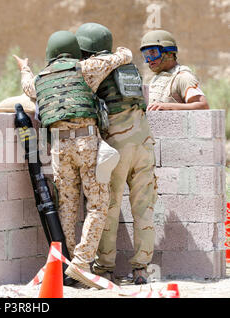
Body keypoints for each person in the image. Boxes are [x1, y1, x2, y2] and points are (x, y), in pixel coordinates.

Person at [14, 30, 132, 288]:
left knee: (66, 208)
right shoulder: (85, 68)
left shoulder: (41, 79)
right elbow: (118, 59)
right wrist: (124, 52)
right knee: (98, 204)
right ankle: (81, 263)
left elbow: (27, 86)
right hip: (86, 142)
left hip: (58, 147)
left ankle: (65, 265)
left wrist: (25, 67)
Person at [75, 23, 158, 285]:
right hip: (143, 143)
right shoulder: (129, 67)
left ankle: (105, 268)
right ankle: (142, 269)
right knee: (144, 209)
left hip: (116, 145)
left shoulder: (97, 69)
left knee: (109, 206)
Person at [140, 29, 209, 111]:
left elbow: (203, 106)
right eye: (146, 54)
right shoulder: (155, 79)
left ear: (169, 53)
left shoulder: (183, 77)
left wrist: (168, 107)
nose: (149, 59)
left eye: (153, 53)